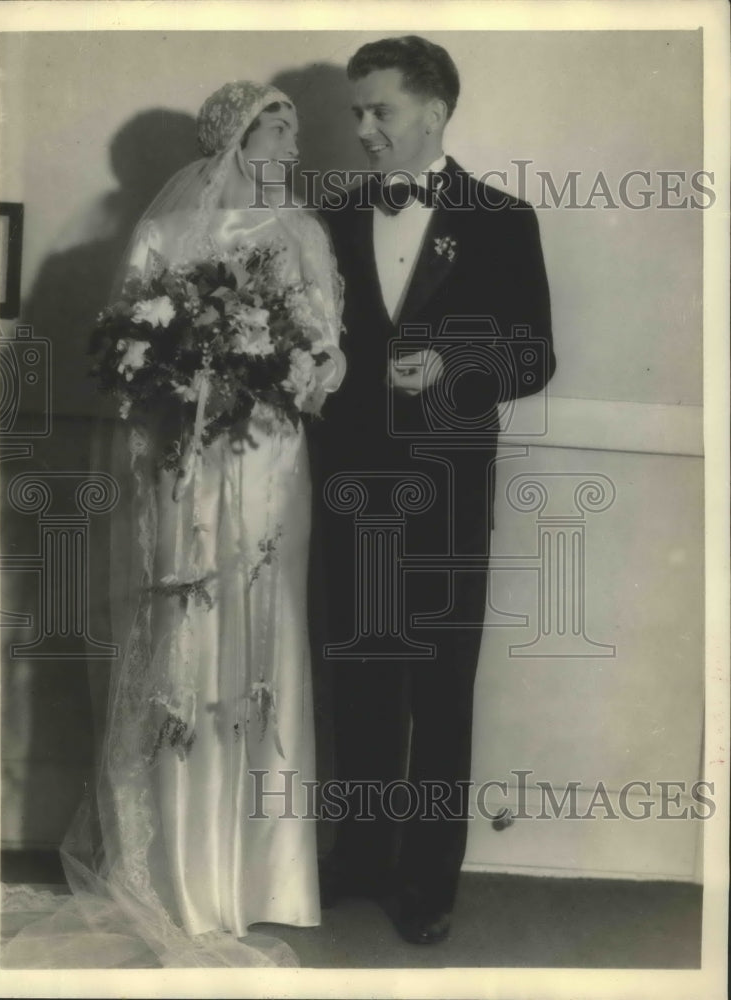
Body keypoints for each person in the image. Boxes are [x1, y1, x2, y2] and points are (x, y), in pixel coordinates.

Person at [2, 81, 345, 969]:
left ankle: (267, 875)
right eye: (276, 138)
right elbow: (122, 366)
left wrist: (276, 374)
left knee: (266, 639)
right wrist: (184, 382)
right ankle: (178, 871)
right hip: (184, 465)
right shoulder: (162, 235)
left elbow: (326, 363)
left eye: (294, 140)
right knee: (182, 633)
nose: (291, 155)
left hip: (268, 461)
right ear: (235, 144)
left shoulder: (302, 234)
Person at [311, 36, 556, 945]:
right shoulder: (331, 219)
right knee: (359, 676)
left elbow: (534, 355)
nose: (364, 129)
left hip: (446, 497)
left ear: (435, 113)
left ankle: (427, 880)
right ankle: (362, 856)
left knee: (439, 690)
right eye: (356, 112)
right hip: (348, 491)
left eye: (380, 110)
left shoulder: (500, 218)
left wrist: (454, 363)